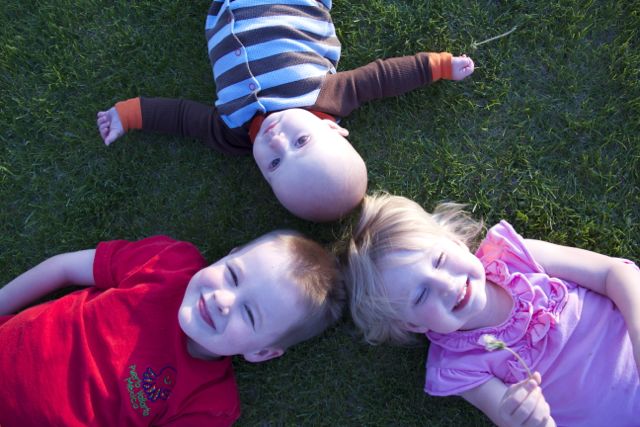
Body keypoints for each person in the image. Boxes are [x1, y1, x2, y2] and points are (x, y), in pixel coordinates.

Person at [96, 0, 475, 222]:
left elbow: (180, 118)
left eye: (275, 164)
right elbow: (384, 77)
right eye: (301, 141)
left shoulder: (233, 133)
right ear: (333, 130)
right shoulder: (328, 96)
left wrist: (128, 115)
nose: (277, 140)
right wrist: (439, 66)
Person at [343, 193, 640, 426]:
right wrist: (525, 415)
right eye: (420, 295)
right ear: (414, 325)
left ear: (455, 241)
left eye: (439, 260)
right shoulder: (457, 366)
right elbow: (507, 415)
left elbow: (613, 273)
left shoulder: (519, 258)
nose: (445, 285)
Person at [0, 230, 345, 426]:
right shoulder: (168, 264)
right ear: (229, 254)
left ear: (262, 351)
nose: (224, 300)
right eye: (232, 275)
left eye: (250, 314)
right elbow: (64, 268)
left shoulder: (210, 403)